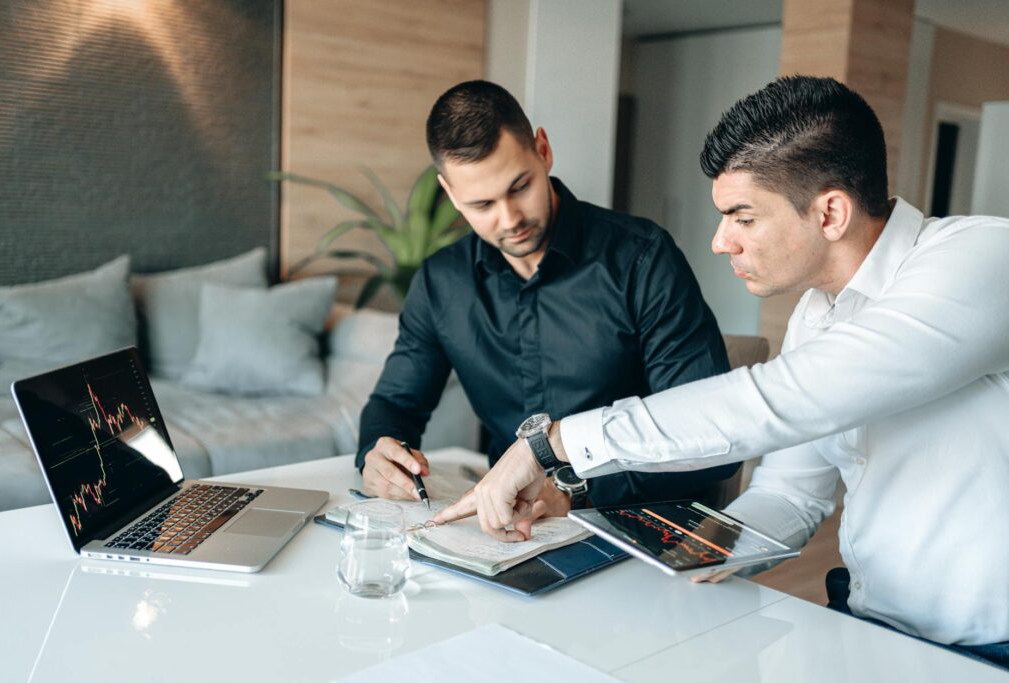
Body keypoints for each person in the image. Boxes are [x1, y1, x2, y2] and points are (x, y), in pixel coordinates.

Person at [435, 76, 1009, 663]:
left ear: (830, 211)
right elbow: (791, 491)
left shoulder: (985, 260)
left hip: (988, 649)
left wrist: (554, 443)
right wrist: (699, 551)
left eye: (742, 216)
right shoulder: (817, 313)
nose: (719, 241)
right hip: (866, 626)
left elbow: (782, 399)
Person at [356, 79, 738, 519]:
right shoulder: (442, 282)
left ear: (542, 149)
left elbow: (710, 439)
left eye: (519, 187)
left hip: (637, 523)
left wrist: (574, 489)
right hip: (509, 525)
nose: (510, 219)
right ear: (451, 194)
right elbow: (395, 403)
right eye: (482, 204)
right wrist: (379, 453)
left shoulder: (642, 259)